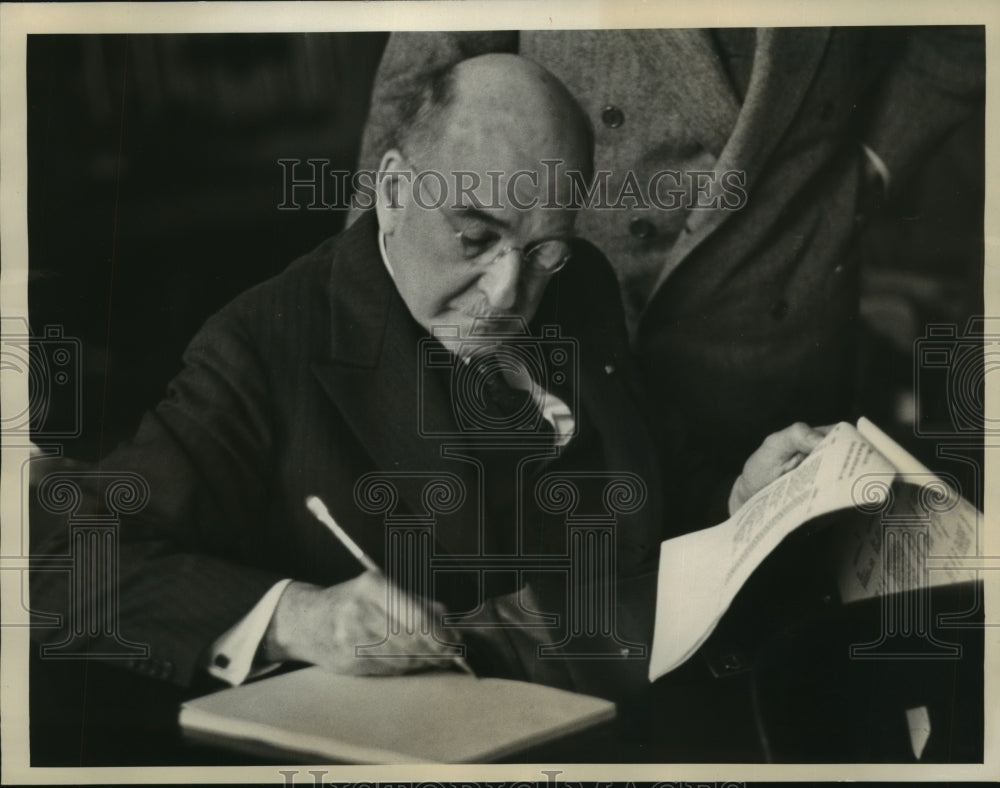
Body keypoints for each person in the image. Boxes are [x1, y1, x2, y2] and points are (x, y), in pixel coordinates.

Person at [30, 54, 823, 699]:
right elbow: (64, 558)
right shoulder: (264, 345)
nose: (509, 296)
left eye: (543, 250)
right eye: (476, 238)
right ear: (396, 190)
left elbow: (647, 474)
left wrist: (738, 496)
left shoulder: (575, 285)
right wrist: (297, 618)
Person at [353, 28, 985, 500]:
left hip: (779, 311)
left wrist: (869, 167)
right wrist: (370, 336)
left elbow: (963, 29)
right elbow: (422, 91)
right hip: (555, 306)